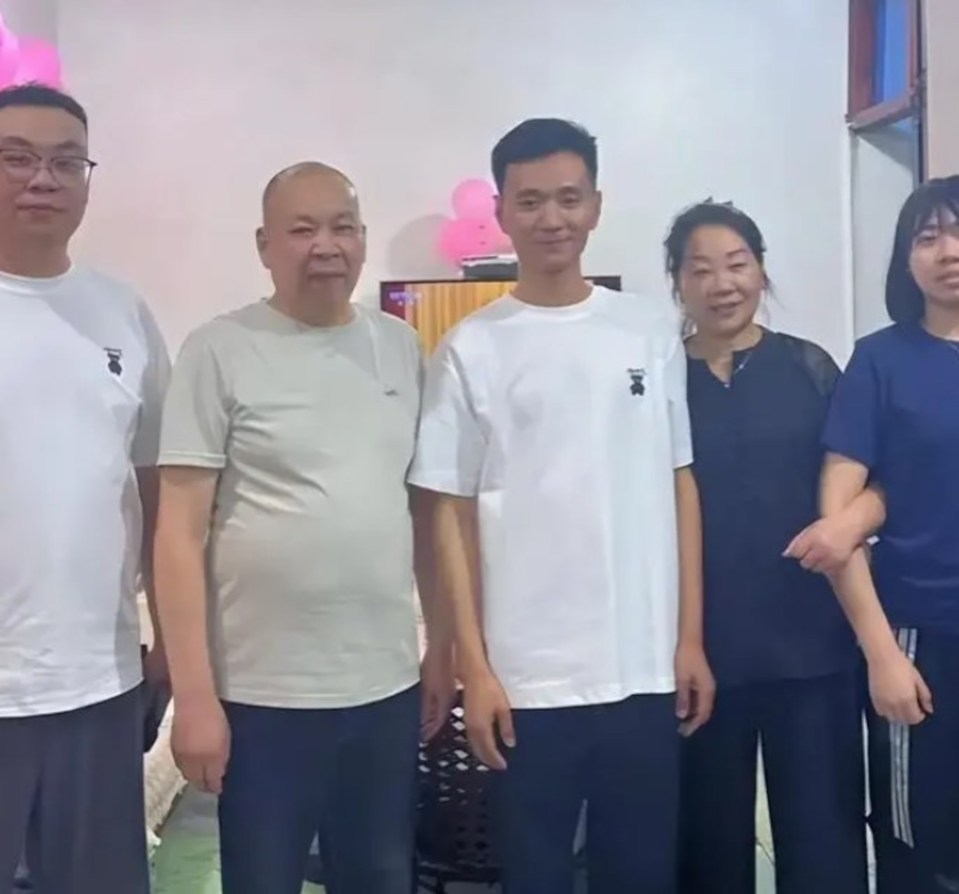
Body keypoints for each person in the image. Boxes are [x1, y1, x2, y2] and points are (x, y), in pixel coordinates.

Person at [409, 118, 714, 894]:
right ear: (502, 211)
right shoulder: (471, 349)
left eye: (568, 199)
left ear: (596, 206)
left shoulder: (648, 330)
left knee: (642, 873)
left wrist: (688, 639)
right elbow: (446, 512)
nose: (552, 218)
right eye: (532, 201)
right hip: (526, 679)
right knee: (535, 873)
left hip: (642, 669)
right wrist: (473, 666)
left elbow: (679, 483)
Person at [153, 161, 454, 894]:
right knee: (261, 879)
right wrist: (193, 698)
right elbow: (177, 533)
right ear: (264, 244)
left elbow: (423, 514)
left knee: (381, 875)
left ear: (361, 239)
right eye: (302, 228)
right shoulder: (218, 350)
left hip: (382, 689)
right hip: (261, 697)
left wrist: (440, 647)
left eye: (342, 226)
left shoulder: (397, 348)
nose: (326, 245)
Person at [665, 200, 874, 894]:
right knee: (707, 847)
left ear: (760, 271)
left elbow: (865, 480)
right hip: (701, 651)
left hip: (811, 644)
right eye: (701, 270)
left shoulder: (809, 368)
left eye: (738, 264)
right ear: (677, 283)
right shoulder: (660, 381)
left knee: (823, 845)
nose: (723, 284)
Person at [0, 84, 170, 894]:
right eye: (17, 158)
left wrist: (171, 635)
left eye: (66, 161)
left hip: (98, 676)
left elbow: (158, 491)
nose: (43, 179)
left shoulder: (122, 313)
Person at [818, 176, 959, 894]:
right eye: (926, 236)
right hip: (917, 640)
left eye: (955, 230)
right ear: (906, 260)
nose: (946, 250)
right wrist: (880, 655)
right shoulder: (879, 360)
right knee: (919, 847)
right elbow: (836, 521)